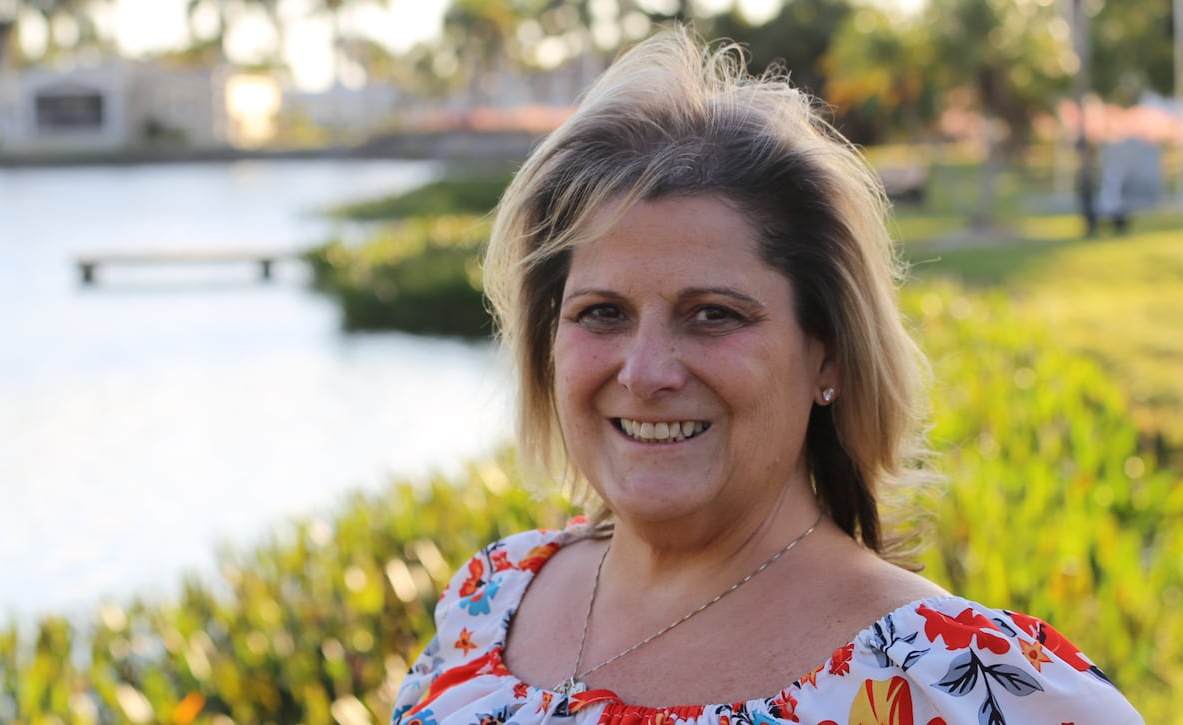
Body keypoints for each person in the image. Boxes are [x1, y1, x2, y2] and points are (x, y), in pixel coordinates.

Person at [392, 29, 1144, 725]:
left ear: (828, 353)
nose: (646, 371)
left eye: (713, 314)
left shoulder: (962, 683)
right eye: (602, 312)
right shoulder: (489, 601)